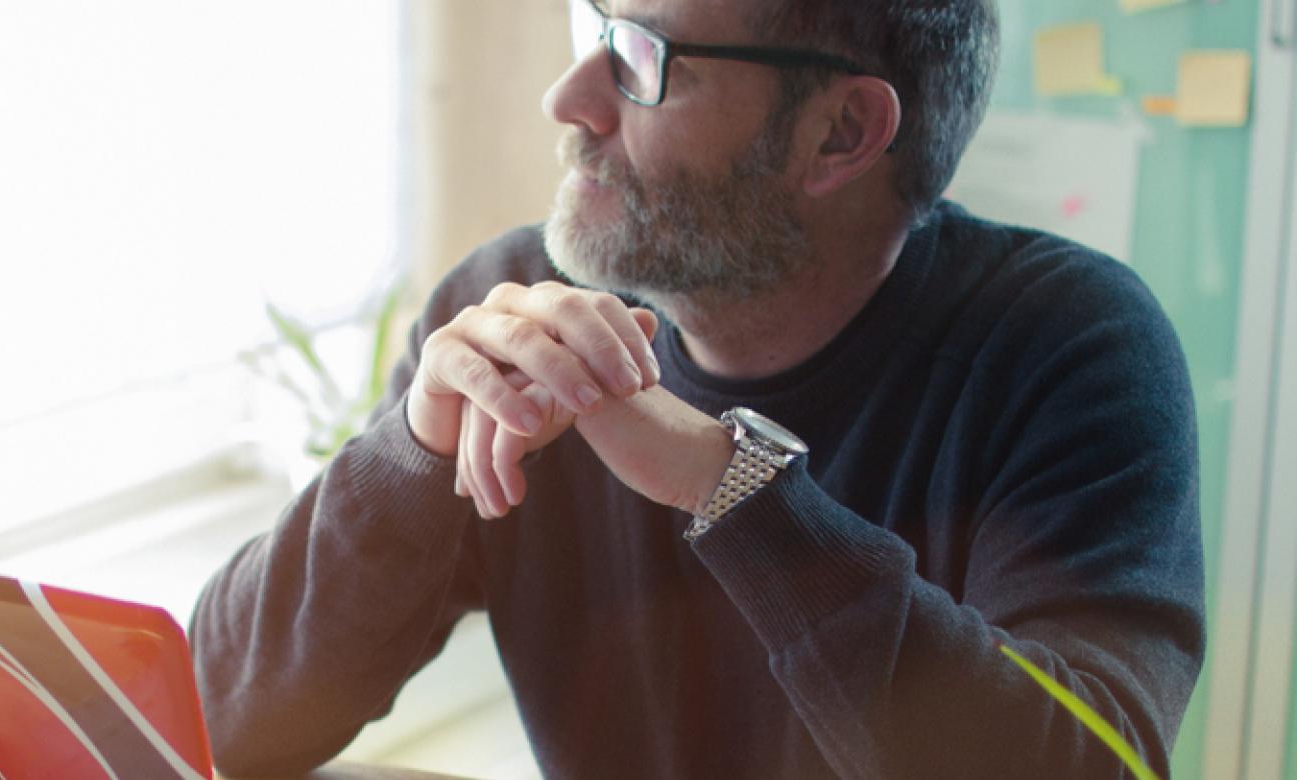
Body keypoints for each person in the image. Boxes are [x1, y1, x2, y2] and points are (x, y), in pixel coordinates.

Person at [190, 0, 1204, 776]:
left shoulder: (1068, 350)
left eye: (641, 58)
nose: (569, 98)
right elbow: (217, 720)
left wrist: (733, 482)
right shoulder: (517, 316)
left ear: (841, 134)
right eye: (598, 25)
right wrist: (409, 452)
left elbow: (1092, 759)